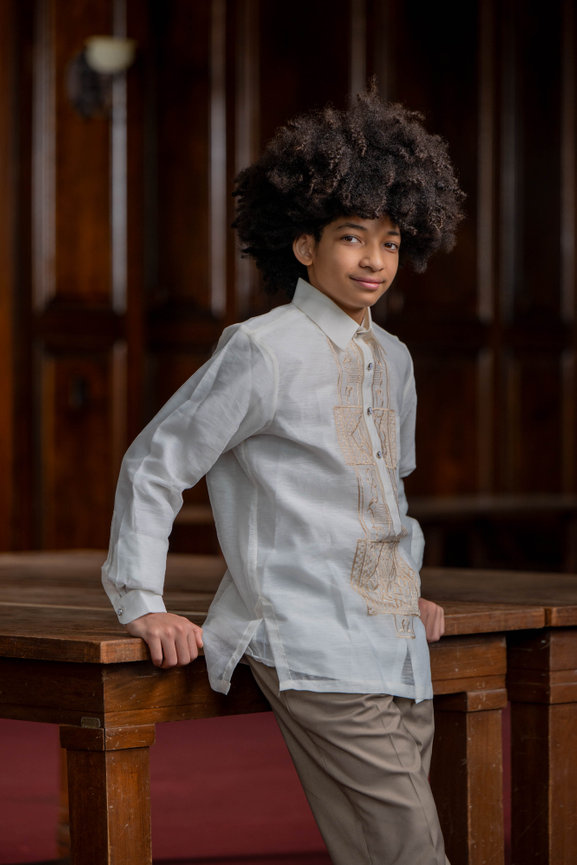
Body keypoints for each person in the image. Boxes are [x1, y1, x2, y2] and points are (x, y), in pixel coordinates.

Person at [102, 86, 465, 865]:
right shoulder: (261, 348)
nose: (374, 260)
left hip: (392, 639)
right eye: (350, 237)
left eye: (392, 241)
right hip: (307, 636)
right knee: (410, 853)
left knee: (395, 850)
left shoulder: (392, 357)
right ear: (303, 246)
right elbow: (155, 463)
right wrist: (142, 603)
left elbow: (385, 496)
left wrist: (404, 586)